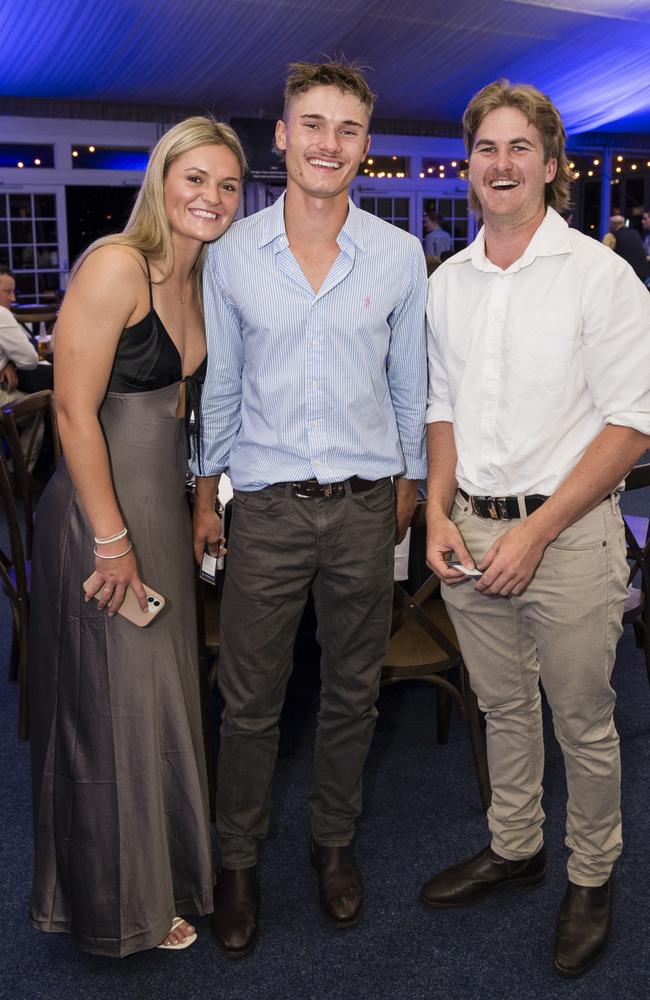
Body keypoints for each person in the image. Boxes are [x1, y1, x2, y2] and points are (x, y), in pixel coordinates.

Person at [191, 59, 427, 958]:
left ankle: (333, 848)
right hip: (267, 510)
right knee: (249, 701)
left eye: (349, 128)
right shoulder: (234, 255)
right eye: (313, 124)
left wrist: (406, 486)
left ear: (365, 145)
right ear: (283, 137)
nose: (330, 142)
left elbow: (411, 386)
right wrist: (208, 490)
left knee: (352, 695)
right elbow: (223, 387)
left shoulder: (401, 256)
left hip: (368, 508)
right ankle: (238, 861)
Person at [422, 79, 650, 979]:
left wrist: (538, 531)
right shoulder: (448, 283)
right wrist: (437, 511)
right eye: (487, 148)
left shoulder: (602, 276)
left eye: (521, 147)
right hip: (469, 533)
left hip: (571, 536)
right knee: (502, 706)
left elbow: (633, 423)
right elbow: (440, 410)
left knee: (583, 720)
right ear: (469, 165)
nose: (503, 163)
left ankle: (592, 877)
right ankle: (516, 850)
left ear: (552, 167)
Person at [29, 116, 246, 957]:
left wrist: (202, 503)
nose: (212, 197)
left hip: (161, 512)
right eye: (196, 178)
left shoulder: (201, 280)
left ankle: (166, 878)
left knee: (162, 701)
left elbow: (190, 419)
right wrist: (111, 541)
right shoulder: (118, 264)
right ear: (162, 180)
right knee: (112, 707)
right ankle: (120, 907)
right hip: (100, 516)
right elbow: (72, 410)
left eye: (228, 184)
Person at [0, 266, 40, 404]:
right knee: (46, 404)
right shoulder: (2, 313)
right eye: (7, 292)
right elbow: (30, 359)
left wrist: (7, 363)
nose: (13, 298)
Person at [609, 214, 650, 284]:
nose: (642, 221)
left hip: (634, 275)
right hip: (643, 274)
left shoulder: (613, 235)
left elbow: (607, 254)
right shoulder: (636, 233)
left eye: (645, 219)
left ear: (613, 225)